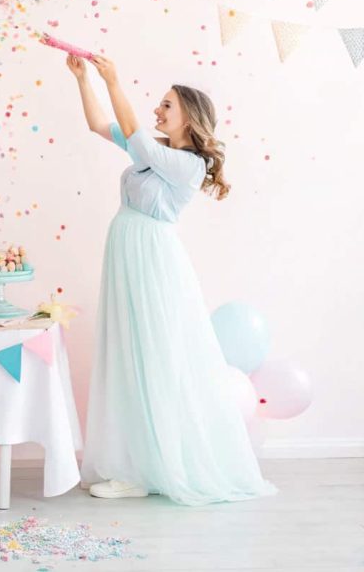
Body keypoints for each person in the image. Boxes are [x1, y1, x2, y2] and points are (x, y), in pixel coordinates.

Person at [66, 53, 276, 505]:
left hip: (152, 259)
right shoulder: (157, 153)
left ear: (189, 119)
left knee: (151, 354)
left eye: (166, 106)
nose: (157, 110)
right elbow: (99, 126)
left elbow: (139, 144)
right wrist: (86, 81)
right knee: (127, 351)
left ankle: (145, 468)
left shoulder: (188, 164)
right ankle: (131, 463)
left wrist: (115, 79)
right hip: (128, 251)